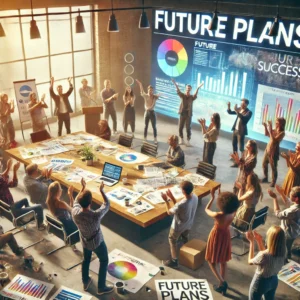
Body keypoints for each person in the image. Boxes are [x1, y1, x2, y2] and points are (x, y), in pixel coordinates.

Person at [72, 179, 113, 295]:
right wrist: (102, 191)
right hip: (97, 242)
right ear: (90, 203)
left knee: (86, 260)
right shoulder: (95, 215)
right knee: (104, 260)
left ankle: (85, 281)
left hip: (85, 241)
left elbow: (75, 201)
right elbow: (106, 204)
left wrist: (82, 188)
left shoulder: (74, 213)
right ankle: (101, 287)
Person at [205, 188, 239, 295]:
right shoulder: (233, 213)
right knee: (223, 261)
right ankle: (221, 286)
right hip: (226, 235)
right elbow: (231, 204)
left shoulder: (217, 215)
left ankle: (222, 282)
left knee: (211, 261)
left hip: (216, 236)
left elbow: (206, 209)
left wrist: (212, 198)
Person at [0, 159, 45, 230]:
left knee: (25, 200)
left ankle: (29, 216)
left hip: (5, 208)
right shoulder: (1, 180)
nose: (1, 165)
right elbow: (14, 184)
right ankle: (40, 225)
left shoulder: (1, 178)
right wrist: (14, 170)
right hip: (11, 210)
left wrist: (8, 168)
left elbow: (2, 176)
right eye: (0, 165)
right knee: (39, 206)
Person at [161, 181, 198, 268]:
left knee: (172, 240)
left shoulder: (182, 204)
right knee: (184, 237)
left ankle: (174, 260)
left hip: (178, 226)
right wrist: (172, 197)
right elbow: (178, 207)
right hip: (188, 224)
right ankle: (186, 251)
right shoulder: (195, 197)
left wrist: (166, 200)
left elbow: (169, 212)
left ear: (183, 191)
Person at [246, 226, 286, 300]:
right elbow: (266, 257)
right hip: (274, 280)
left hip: (260, 282)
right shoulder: (283, 252)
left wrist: (251, 242)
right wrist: (259, 241)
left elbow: (250, 261)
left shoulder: (263, 255)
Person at [268, 185, 300, 260]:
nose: (289, 195)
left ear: (296, 198)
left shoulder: (293, 211)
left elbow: (278, 215)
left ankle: (285, 259)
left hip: (289, 232)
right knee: (287, 246)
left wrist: (274, 198)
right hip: (295, 230)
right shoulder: (297, 205)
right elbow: (289, 202)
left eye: (291, 194)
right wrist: (281, 193)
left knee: (284, 248)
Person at [171, 79, 203, 146]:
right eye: (187, 88)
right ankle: (181, 139)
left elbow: (195, 95)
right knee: (180, 127)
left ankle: (188, 140)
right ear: (186, 88)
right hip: (182, 113)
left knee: (188, 128)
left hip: (188, 114)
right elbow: (178, 91)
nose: (188, 89)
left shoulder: (191, 97)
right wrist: (175, 84)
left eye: (189, 88)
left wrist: (198, 88)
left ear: (190, 89)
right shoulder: (182, 95)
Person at [227, 99, 252, 167]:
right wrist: (229, 107)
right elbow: (230, 112)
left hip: (241, 132)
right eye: (241, 104)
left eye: (243, 104)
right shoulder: (240, 109)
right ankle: (235, 159)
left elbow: (244, 119)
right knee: (234, 145)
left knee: (241, 148)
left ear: (246, 104)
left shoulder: (249, 112)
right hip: (235, 130)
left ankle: (243, 160)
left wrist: (237, 111)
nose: (241, 105)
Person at [262, 118, 286, 187]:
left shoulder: (282, 133)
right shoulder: (275, 130)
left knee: (273, 167)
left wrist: (270, 129)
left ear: (281, 124)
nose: (276, 124)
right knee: (264, 164)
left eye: (277, 123)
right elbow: (266, 134)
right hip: (268, 149)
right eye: (275, 123)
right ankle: (265, 177)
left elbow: (274, 140)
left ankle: (273, 181)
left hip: (274, 151)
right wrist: (266, 127)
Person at [136, 79, 160, 144]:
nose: (150, 91)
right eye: (149, 90)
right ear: (148, 90)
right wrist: (140, 84)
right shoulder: (145, 95)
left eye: (151, 90)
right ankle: (145, 137)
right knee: (145, 126)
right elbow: (141, 90)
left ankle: (155, 139)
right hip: (146, 113)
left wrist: (149, 108)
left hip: (152, 113)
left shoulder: (155, 97)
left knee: (154, 127)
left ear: (153, 91)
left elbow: (153, 104)